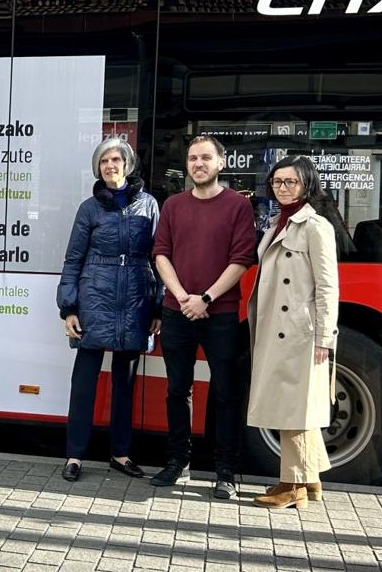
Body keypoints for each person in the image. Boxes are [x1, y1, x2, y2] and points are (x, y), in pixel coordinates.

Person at [150, 135, 256, 499]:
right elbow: (160, 254)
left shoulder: (238, 206)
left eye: (206, 158)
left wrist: (206, 297)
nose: (198, 164)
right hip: (177, 311)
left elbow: (241, 259)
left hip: (221, 314)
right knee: (177, 390)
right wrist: (182, 298)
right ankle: (178, 463)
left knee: (226, 394)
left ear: (220, 163)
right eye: (193, 158)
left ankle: (225, 471)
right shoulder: (173, 206)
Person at [56, 138, 161, 482]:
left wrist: (158, 306)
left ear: (127, 164)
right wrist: (69, 308)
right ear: (98, 167)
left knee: (125, 386)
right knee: (84, 383)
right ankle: (74, 456)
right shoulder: (89, 208)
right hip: (95, 299)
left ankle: (120, 453)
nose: (110, 165)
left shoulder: (148, 205)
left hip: (134, 301)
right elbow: (73, 259)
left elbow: (159, 259)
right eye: (104, 161)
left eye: (116, 159)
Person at [247, 155, 339, 509]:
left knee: (294, 408)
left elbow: (328, 287)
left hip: (301, 332)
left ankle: (292, 486)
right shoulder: (277, 223)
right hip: (278, 328)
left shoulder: (316, 227)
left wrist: (324, 339)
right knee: (295, 405)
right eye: (277, 182)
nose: (282, 188)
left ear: (307, 185)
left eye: (291, 182)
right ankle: (311, 479)